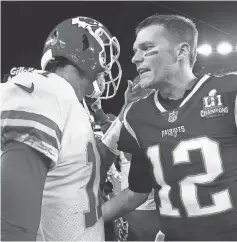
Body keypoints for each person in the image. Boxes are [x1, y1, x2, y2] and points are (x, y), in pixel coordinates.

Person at [101, 14, 237, 241]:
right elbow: (137, 191)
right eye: (135, 50)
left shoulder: (228, 93)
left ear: (181, 51)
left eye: (147, 48)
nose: (135, 58)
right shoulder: (137, 115)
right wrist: (82, 221)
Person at [1, 16, 122, 241]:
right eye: (104, 56)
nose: (106, 68)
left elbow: (87, 168)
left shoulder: (71, 103)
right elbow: (13, 227)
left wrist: (125, 116)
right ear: (87, 51)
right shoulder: (45, 91)